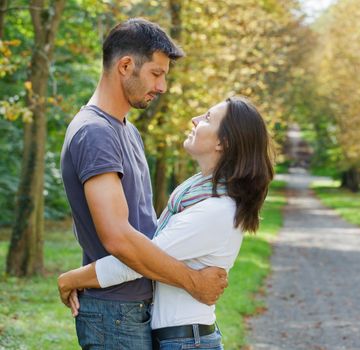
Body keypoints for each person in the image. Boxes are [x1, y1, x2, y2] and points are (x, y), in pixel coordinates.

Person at [59, 18, 228, 350]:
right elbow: (118, 237)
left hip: (134, 306)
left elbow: (147, 227)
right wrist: (193, 281)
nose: (162, 86)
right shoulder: (95, 133)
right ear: (125, 66)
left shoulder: (126, 131)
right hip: (114, 313)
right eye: (156, 73)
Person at [58, 96, 274, 350]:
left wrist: (72, 279)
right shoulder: (196, 194)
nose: (194, 119)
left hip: (186, 341)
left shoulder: (216, 210)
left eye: (206, 118)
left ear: (222, 142)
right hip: (182, 338)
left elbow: (138, 260)